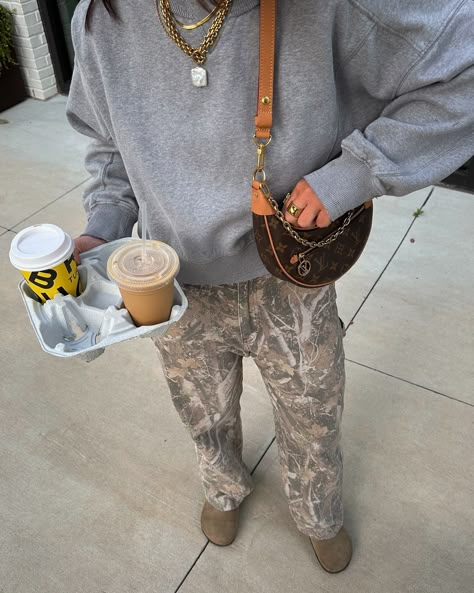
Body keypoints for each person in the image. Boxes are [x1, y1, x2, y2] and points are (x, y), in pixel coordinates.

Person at [68, 0, 474, 574]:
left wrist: (357, 171)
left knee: (313, 411)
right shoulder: (99, 20)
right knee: (200, 410)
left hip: (291, 274)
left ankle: (318, 513)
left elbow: (464, 63)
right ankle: (223, 488)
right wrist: (103, 230)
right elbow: (109, 149)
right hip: (175, 286)